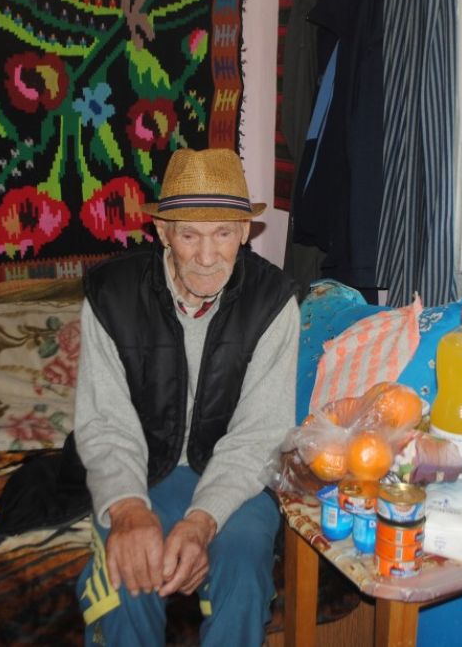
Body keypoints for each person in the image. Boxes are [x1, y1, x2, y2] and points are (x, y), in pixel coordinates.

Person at [73, 147, 299, 646]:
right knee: (129, 573)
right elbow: (106, 421)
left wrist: (202, 521)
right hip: (143, 473)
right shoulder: (111, 295)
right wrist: (129, 509)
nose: (207, 256)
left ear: (245, 231)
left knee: (243, 570)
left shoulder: (274, 301)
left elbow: (260, 434)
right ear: (162, 232)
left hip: (238, 479)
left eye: (223, 234)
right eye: (189, 235)